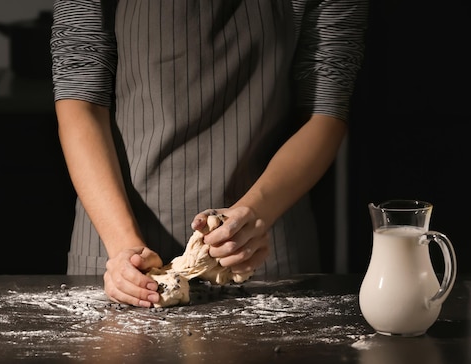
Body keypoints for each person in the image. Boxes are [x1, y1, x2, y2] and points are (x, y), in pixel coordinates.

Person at [50, 0, 368, 307]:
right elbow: (80, 102)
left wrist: (256, 213)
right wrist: (124, 248)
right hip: (114, 249)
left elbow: (324, 112)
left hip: (261, 250)